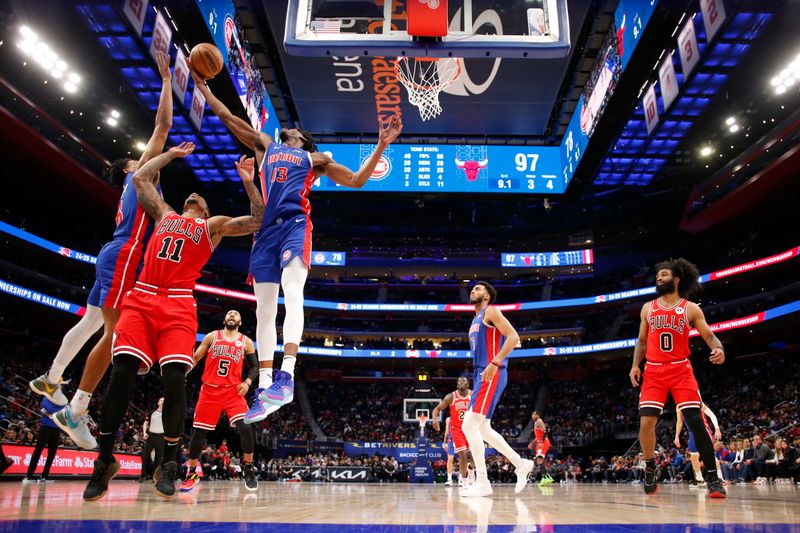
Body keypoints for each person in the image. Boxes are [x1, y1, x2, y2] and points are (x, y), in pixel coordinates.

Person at [188, 65, 402, 423]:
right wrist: (203, 88)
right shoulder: (265, 146)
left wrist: (381, 145)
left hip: (295, 226)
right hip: (265, 233)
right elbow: (228, 118)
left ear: (302, 140)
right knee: (264, 311)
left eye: (294, 130)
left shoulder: (315, 160)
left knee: (294, 291)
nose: (287, 128)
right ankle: (268, 386)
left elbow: (356, 180)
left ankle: (286, 372)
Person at [82, 144, 264, 501]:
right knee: (120, 373)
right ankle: (104, 461)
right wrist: (170, 156)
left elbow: (257, 218)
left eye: (200, 196)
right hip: (143, 295)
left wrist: (247, 181)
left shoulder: (213, 227)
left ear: (206, 209)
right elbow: (141, 178)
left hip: (179, 304)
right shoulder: (164, 213)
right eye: (190, 195)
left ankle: (169, 463)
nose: (194, 194)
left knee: (175, 380)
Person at [30, 52, 175, 450]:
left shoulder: (136, 188)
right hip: (126, 253)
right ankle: (75, 410)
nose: (146, 158)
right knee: (116, 334)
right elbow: (163, 125)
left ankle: (53, 376)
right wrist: (166, 79)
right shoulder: (141, 177)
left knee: (92, 324)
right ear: (133, 168)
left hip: (114, 253)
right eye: (139, 158)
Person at [629, 258, 726, 498]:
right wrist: (635, 366)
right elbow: (641, 341)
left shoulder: (690, 308)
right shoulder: (648, 308)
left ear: (677, 279)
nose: (658, 278)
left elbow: (710, 336)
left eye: (663, 274)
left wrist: (719, 349)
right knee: (646, 423)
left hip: (681, 369)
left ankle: (713, 478)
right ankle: (651, 466)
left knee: (695, 422)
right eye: (657, 276)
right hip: (653, 370)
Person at [459, 282, 534, 498]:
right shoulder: (474, 319)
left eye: (479, 289)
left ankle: (483, 481)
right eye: (472, 289)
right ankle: (521, 464)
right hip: (481, 373)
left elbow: (514, 337)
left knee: (468, 424)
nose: (474, 291)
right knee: (482, 429)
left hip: (492, 370)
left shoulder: (490, 311)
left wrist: (495, 362)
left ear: (488, 296)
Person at [180, 310, 259, 492]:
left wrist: (247, 382)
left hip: (233, 392)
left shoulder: (245, 341)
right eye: (229, 314)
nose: (232, 315)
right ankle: (191, 472)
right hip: (210, 391)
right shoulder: (212, 336)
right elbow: (197, 357)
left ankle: (248, 467)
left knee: (245, 427)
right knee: (199, 433)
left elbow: (254, 366)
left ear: (240, 320)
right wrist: (183, 371)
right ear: (224, 319)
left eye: (236, 314)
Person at [431, 377, 472, 487]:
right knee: (462, 454)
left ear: (468, 384)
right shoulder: (451, 396)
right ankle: (463, 481)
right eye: (459, 381)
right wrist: (435, 419)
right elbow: (436, 409)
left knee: (474, 454)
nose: (461, 383)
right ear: (457, 385)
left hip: (470, 428)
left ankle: (471, 470)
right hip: (457, 429)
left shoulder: (473, 395)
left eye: (463, 381)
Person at [674, 401, 723, 487]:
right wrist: (677, 436)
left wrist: (717, 428)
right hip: (692, 433)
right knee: (694, 457)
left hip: (703, 430)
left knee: (709, 455)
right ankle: (700, 480)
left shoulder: (696, 400)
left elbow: (711, 414)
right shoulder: (679, 406)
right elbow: (679, 421)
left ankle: (720, 478)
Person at [23, 397, 63, 483]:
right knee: (38, 451)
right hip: (45, 428)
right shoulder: (47, 398)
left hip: (57, 429)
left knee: (52, 454)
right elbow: (44, 409)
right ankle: (29, 476)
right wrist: (52, 413)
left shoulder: (62, 400)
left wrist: (52, 412)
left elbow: (63, 412)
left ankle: (44, 476)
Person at [140, 398, 165, 482]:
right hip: (151, 436)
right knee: (145, 456)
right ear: (158, 402)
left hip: (161, 437)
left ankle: (155, 478)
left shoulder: (167, 414)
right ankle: (143, 476)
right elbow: (145, 422)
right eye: (161, 400)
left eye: (164, 400)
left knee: (158, 459)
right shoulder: (152, 412)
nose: (163, 402)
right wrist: (144, 432)